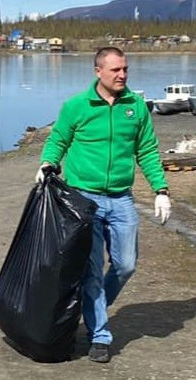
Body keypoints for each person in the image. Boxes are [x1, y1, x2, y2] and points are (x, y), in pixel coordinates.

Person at [35, 46, 171, 363]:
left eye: (125, 69)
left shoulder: (136, 106)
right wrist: (47, 163)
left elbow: (147, 150)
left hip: (122, 198)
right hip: (84, 201)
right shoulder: (77, 106)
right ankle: (100, 336)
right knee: (92, 272)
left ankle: (88, 307)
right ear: (98, 71)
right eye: (115, 70)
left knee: (126, 265)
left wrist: (161, 189)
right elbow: (58, 139)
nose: (122, 75)